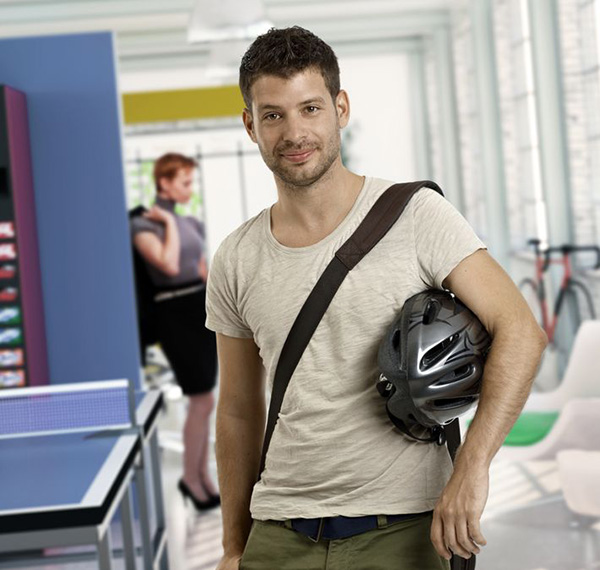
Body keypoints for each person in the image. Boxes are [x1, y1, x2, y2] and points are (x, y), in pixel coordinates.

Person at [205, 27, 547, 570]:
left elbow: (522, 331)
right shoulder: (235, 258)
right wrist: (232, 547)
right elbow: (239, 412)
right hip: (278, 534)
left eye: (310, 108)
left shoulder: (416, 217)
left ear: (340, 108)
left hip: (403, 529)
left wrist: (473, 467)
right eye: (273, 115)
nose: (295, 132)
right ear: (251, 125)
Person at [131, 152, 219, 510]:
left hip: (199, 309)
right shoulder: (143, 225)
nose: (189, 188)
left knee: (206, 399)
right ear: (164, 183)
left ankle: (199, 477)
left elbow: (203, 271)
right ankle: (191, 478)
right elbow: (167, 265)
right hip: (173, 313)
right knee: (200, 399)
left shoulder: (193, 223)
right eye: (184, 182)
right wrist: (167, 222)